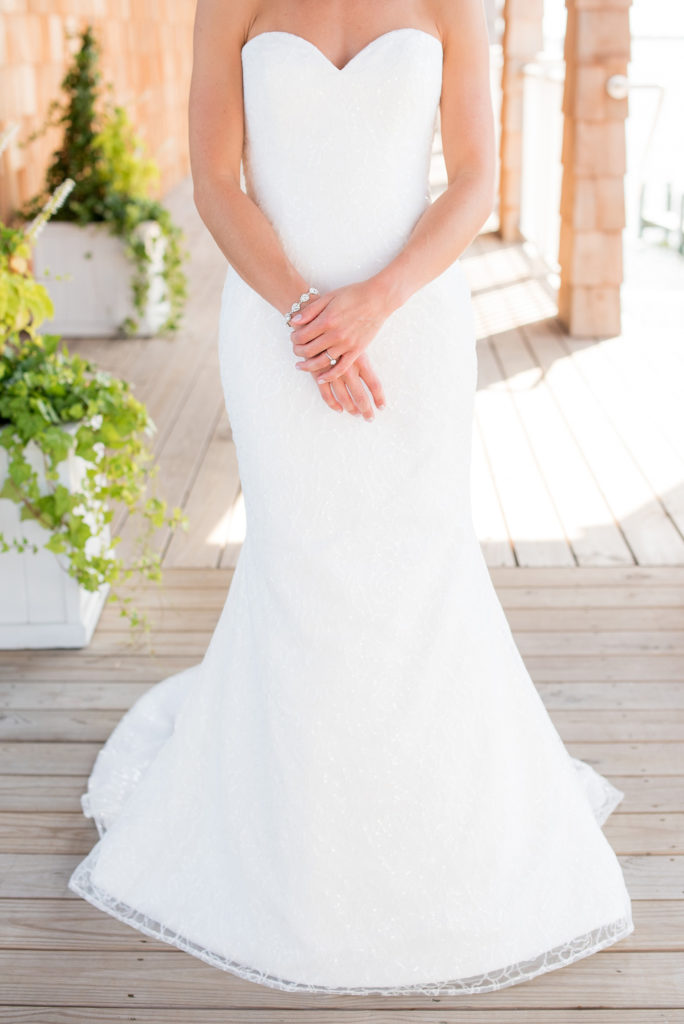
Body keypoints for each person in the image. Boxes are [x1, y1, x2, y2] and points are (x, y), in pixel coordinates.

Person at [68, 0, 635, 995]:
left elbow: (473, 180)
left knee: (417, 568)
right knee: (300, 567)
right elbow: (214, 179)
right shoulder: (228, 4)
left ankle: (427, 816)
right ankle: (302, 839)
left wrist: (372, 304)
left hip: (411, 325)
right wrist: (305, 314)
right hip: (275, 325)